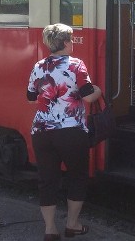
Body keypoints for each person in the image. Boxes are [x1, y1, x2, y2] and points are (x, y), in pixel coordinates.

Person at [27, 23, 101, 241]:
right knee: (77, 176)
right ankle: (72, 224)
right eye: (71, 39)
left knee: (47, 179)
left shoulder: (39, 66)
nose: (72, 43)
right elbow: (88, 96)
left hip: (41, 131)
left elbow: (31, 97)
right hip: (70, 131)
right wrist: (98, 90)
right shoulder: (76, 65)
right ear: (66, 43)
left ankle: (50, 229)